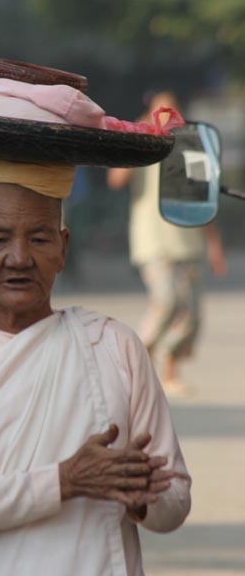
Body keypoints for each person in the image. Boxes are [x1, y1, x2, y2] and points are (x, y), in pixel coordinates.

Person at [0, 156, 191, 576]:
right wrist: (64, 481)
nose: (19, 258)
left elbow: (176, 501)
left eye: (38, 238)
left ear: (63, 248)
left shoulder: (113, 345)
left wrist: (146, 497)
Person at [107, 91, 227, 395]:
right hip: (153, 243)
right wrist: (136, 140)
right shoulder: (143, 142)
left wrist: (214, 244)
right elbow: (116, 181)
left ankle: (170, 371)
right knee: (166, 301)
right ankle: (139, 356)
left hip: (188, 241)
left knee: (190, 313)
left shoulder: (191, 147)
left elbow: (203, 196)